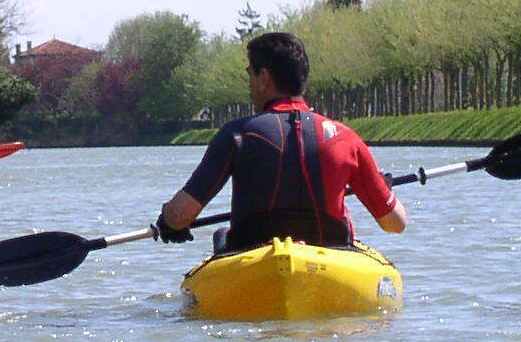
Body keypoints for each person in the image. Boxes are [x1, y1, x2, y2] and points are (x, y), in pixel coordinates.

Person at [153, 31, 408, 253]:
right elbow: (395, 223)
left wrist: (168, 223)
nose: (250, 85)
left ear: (264, 78)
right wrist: (382, 188)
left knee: (222, 236)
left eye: (250, 75)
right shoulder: (346, 137)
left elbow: (178, 215)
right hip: (330, 261)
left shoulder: (237, 135)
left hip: (254, 260)